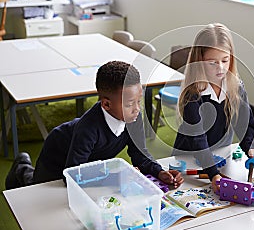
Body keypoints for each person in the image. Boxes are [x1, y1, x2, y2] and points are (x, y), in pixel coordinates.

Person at [6, 60, 184, 189]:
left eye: (139, 101)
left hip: (88, 158)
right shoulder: (88, 129)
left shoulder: (133, 117)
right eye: (130, 104)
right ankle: (21, 167)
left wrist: (159, 171)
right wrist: (117, 177)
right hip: (57, 154)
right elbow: (72, 175)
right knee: (40, 188)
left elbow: (139, 154)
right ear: (106, 104)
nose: (137, 109)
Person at [172, 23, 254, 192]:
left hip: (222, 154)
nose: (220, 68)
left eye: (225, 61)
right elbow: (197, 138)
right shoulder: (193, 93)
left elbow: (244, 123)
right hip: (190, 155)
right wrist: (212, 173)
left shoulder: (236, 86)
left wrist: (251, 148)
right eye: (212, 63)